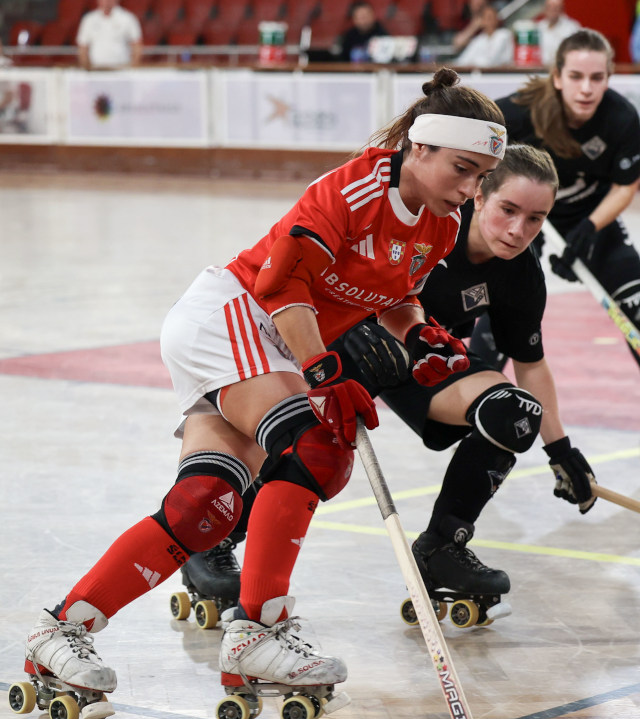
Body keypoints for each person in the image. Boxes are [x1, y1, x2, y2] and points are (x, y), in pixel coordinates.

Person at [21, 68, 506, 719]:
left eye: (483, 175)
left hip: (271, 344)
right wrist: (322, 372)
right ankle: (259, 631)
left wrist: (426, 340)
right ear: (420, 148)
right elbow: (281, 286)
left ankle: (62, 630)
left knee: (207, 505)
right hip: (234, 316)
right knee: (316, 442)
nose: (473, 188)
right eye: (464, 168)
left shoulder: (441, 226)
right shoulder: (354, 189)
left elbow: (393, 295)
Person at [185, 144, 596, 629]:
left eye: (535, 219)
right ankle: (214, 537)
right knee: (307, 445)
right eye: (509, 210)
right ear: (479, 196)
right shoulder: (437, 220)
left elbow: (531, 364)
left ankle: (441, 546)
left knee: (515, 411)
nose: (518, 230)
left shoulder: (522, 273)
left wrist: (561, 450)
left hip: (426, 365)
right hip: (345, 343)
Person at [471, 28, 640, 372]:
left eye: (597, 77)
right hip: (521, 212)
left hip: (588, 213)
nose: (587, 88)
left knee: (635, 295)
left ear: (609, 78)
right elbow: (470, 158)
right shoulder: (517, 114)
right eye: (576, 76)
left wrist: (590, 228)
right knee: (508, 299)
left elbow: (626, 186)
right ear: (558, 77)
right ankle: (478, 399)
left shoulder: (622, 119)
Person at [77, 0, 142, 71]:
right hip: (96, 70)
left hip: (122, 70)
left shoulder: (128, 18)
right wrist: (86, 69)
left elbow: (137, 46)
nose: (107, 1)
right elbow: (83, 47)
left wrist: (133, 69)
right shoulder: (89, 20)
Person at [537, 0, 580, 67]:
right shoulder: (538, 27)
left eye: (556, 7)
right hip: (541, 70)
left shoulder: (572, 28)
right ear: (544, 9)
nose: (552, 10)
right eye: (549, 7)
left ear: (561, 9)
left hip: (563, 68)